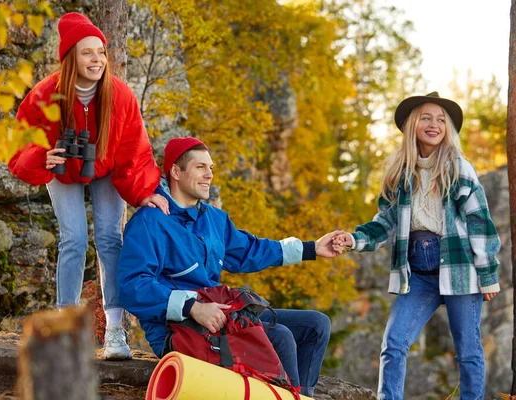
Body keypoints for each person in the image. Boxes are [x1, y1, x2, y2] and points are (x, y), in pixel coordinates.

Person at [117, 137, 342, 396]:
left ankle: (300, 396)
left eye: (211, 168)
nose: (209, 175)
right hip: (179, 329)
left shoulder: (213, 219)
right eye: (200, 167)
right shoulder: (150, 222)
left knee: (316, 325)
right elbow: (131, 285)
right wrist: (192, 307)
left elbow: (251, 250)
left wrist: (312, 248)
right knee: (279, 335)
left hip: (220, 314)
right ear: (176, 172)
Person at [8, 12, 169, 360]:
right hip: (62, 169)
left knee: (110, 240)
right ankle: (64, 332)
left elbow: (135, 149)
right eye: (87, 53)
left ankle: (114, 331)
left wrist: (144, 192)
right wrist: (41, 157)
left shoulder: (120, 95)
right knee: (74, 239)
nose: (97, 60)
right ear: (70, 58)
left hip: (107, 168)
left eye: (101, 52)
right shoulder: (45, 94)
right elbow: (19, 141)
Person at [330, 92, 501, 399]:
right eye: (426, 118)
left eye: (440, 120)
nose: (434, 124)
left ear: (447, 128)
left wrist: (488, 274)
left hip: (460, 269)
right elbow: (385, 222)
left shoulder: (459, 168)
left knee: (468, 351)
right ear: (412, 125)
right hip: (418, 275)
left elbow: (480, 222)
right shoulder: (399, 173)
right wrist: (354, 239)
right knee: (394, 343)